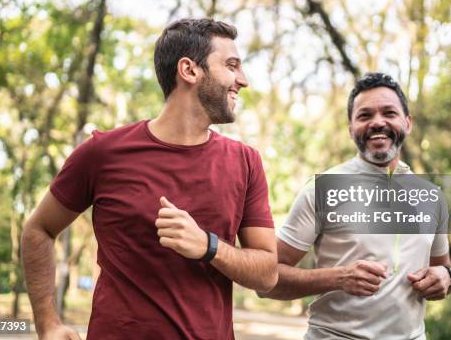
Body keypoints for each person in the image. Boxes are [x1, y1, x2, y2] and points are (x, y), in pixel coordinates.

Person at [21, 18, 278, 340]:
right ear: (189, 70)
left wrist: (208, 246)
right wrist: (47, 324)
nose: (243, 80)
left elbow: (267, 274)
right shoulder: (103, 152)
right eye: (231, 65)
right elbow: (38, 229)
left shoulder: (245, 162)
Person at [259, 73, 451, 340]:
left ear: (407, 123)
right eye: (364, 116)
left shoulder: (431, 197)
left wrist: (446, 277)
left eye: (389, 112)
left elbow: (443, 268)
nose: (377, 122)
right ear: (351, 128)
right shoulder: (322, 189)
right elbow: (266, 280)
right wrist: (337, 278)